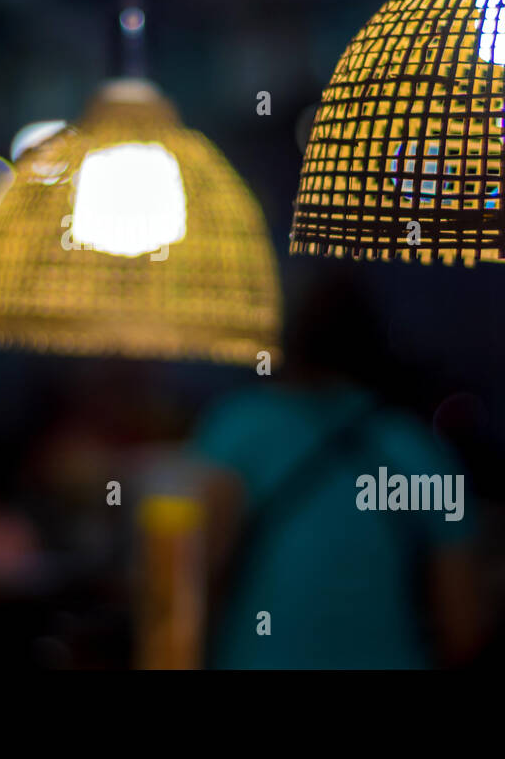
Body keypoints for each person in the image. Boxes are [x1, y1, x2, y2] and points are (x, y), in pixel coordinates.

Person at [191, 271, 484, 668]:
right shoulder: (419, 452)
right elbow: (464, 627)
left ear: (286, 339)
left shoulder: (234, 433)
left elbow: (189, 587)